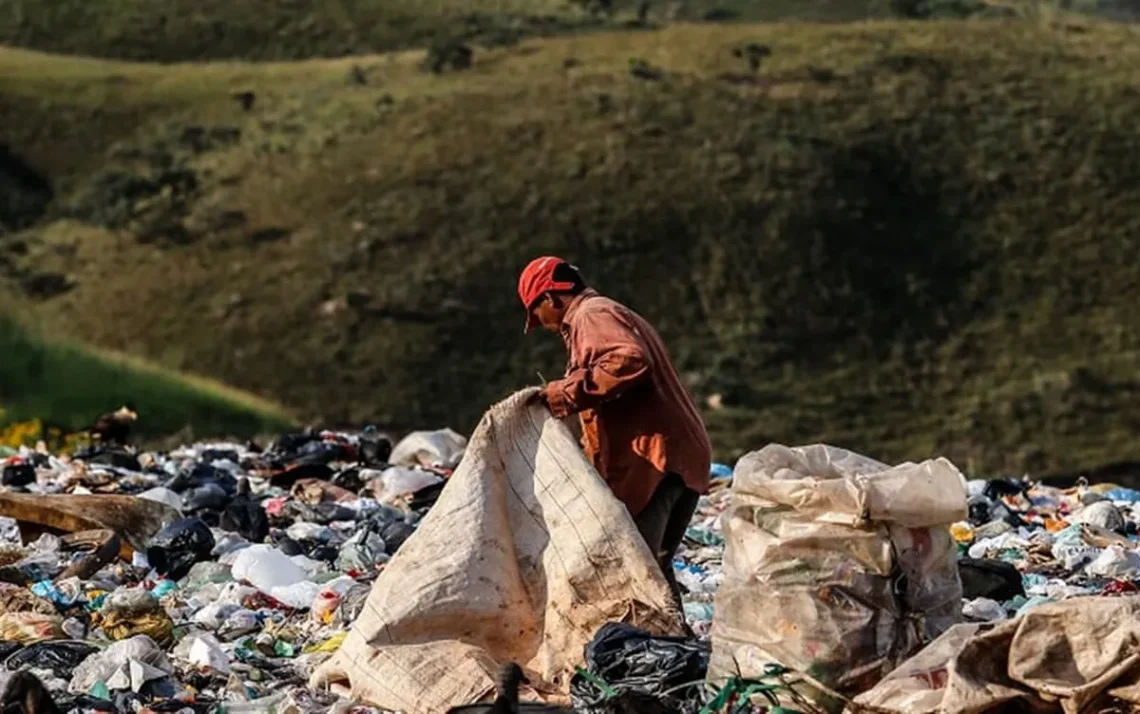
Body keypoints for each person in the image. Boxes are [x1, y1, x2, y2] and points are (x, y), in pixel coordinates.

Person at [518, 256, 712, 611]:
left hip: (654, 459)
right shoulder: (610, 312)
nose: (542, 324)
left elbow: (628, 360)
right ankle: (677, 652)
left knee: (631, 569)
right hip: (679, 456)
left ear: (549, 298)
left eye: (536, 313)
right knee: (653, 568)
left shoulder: (591, 316)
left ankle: (649, 651)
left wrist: (561, 393)